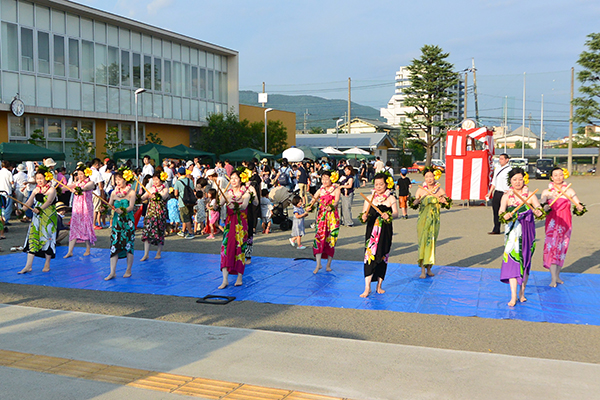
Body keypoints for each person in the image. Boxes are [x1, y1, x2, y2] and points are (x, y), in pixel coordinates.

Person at [498, 168, 543, 306]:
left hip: (527, 230)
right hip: (513, 231)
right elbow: (501, 211)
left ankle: (522, 292)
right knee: (512, 260)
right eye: (514, 179)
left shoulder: (530, 195)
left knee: (525, 260)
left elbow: (539, 209)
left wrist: (538, 212)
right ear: (510, 181)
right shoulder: (506, 195)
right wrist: (504, 215)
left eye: (520, 179)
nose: (518, 182)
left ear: (525, 179)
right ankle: (513, 295)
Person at [540, 167, 584, 287]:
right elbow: (542, 205)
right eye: (556, 175)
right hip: (552, 224)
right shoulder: (547, 192)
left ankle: (557, 275)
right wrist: (545, 207)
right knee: (553, 248)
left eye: (560, 174)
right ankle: (553, 278)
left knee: (562, 248)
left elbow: (577, 203)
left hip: (565, 224)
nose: (558, 177)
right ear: (551, 177)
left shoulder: (569, 191)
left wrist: (579, 207)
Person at [359, 172, 399, 297]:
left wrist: (389, 215)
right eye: (376, 184)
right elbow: (363, 215)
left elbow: (396, 213)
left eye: (381, 184)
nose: (378, 186)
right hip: (372, 234)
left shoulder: (391, 198)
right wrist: (364, 216)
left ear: (386, 184)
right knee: (369, 258)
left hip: (385, 232)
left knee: (382, 257)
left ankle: (379, 286)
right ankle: (367, 287)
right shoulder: (370, 198)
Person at [18, 168, 58, 274]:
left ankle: (47, 263)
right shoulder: (36, 189)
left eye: (41, 178)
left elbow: (49, 202)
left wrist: (40, 209)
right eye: (37, 178)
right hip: (37, 218)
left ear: (46, 178)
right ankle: (28, 266)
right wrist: (22, 210)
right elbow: (30, 201)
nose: (39, 180)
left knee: (47, 239)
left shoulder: (51, 189)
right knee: (33, 238)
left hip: (48, 218)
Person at [413, 168, 448, 279]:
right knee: (423, 242)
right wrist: (415, 202)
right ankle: (422, 269)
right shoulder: (420, 190)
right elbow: (414, 204)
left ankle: (429, 268)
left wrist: (444, 201)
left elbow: (447, 204)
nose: (429, 179)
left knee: (431, 242)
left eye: (431, 177)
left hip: (434, 220)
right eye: (427, 177)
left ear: (435, 177)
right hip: (423, 220)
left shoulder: (439, 190)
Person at [219, 170, 250, 289]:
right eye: (231, 178)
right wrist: (216, 201)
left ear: (240, 180)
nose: (233, 180)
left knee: (240, 249)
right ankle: (225, 280)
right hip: (229, 224)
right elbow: (219, 204)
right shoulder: (228, 193)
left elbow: (244, 205)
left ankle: (239, 277)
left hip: (240, 226)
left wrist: (236, 205)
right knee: (226, 248)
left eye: (236, 178)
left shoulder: (246, 193)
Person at [105, 170, 136, 281]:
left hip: (128, 222)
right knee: (114, 245)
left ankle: (128, 269)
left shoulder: (131, 192)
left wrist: (123, 210)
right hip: (117, 223)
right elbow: (110, 205)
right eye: (116, 180)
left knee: (128, 245)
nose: (117, 182)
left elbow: (131, 207)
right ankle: (112, 272)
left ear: (125, 179)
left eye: (119, 179)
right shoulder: (114, 193)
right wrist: (105, 208)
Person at [307, 170, 340, 274]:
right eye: (323, 179)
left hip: (332, 218)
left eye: (327, 179)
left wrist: (332, 206)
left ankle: (328, 264)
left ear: (332, 179)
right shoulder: (320, 190)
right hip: (321, 217)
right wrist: (309, 206)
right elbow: (313, 200)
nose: (324, 181)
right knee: (319, 239)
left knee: (331, 240)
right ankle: (318, 264)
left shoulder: (336, 189)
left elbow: (336, 201)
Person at [63, 165, 96, 258]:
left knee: (86, 226)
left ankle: (88, 249)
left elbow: (86, 187)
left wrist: (78, 189)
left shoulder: (90, 182)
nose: (80, 176)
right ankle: (70, 251)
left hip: (86, 209)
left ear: (86, 174)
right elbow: (67, 187)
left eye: (82, 174)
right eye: (79, 174)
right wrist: (58, 188)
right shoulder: (76, 183)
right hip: (77, 209)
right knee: (74, 226)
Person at [140, 172, 169, 261]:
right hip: (150, 212)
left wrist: (156, 195)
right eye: (154, 179)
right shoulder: (150, 188)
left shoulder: (165, 189)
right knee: (147, 231)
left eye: (157, 179)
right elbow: (143, 197)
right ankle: (146, 254)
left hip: (160, 212)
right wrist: (142, 197)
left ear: (161, 180)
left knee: (160, 231)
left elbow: (164, 197)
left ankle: (158, 252)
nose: (155, 181)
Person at [486, 153, 512, 234]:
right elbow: (494, 181)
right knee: (496, 211)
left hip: (505, 192)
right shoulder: (497, 168)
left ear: (507, 160)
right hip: (497, 192)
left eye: (502, 159)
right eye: (499, 159)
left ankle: (509, 227)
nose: (500, 160)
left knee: (506, 210)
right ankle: (496, 228)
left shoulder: (510, 169)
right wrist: (490, 192)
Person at [173, 167, 195, 239]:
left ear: (178, 174)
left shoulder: (178, 182)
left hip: (183, 202)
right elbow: (192, 190)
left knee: (186, 218)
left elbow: (176, 193)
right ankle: (183, 231)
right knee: (188, 216)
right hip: (190, 201)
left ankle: (190, 233)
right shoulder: (190, 180)